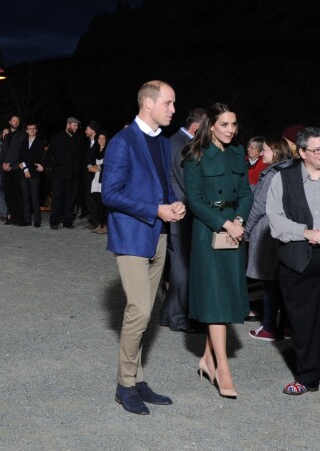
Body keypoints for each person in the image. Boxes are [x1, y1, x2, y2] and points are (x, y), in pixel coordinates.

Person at [101, 80, 186, 415]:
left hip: (158, 236)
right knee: (140, 311)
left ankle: (138, 378)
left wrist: (174, 204)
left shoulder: (163, 144)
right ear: (148, 103)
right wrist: (155, 209)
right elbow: (110, 194)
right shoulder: (122, 142)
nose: (173, 109)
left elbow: (163, 187)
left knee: (145, 313)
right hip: (133, 237)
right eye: (168, 102)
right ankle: (125, 385)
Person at [266, 126, 320, 406]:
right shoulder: (283, 178)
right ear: (301, 152)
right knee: (303, 323)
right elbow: (275, 219)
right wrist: (305, 232)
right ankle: (306, 378)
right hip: (298, 259)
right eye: (316, 150)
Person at [183, 102, 253, 399]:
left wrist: (238, 220)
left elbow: (247, 192)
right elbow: (195, 201)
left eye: (234, 124)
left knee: (225, 292)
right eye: (224, 124)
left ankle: (207, 360)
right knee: (214, 297)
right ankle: (223, 368)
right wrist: (224, 223)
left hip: (233, 232)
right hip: (208, 232)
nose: (230, 130)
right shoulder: (194, 155)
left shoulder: (238, 154)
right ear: (211, 125)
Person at [158, 107, 208, 333]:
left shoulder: (172, 140)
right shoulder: (182, 145)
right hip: (182, 213)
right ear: (196, 128)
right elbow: (189, 185)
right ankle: (178, 317)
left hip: (177, 212)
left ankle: (169, 314)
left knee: (179, 265)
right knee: (182, 267)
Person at [245, 135, 294, 341]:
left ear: (275, 152)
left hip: (268, 230)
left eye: (264, 150)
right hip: (286, 229)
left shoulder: (272, 173)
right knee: (283, 282)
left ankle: (268, 327)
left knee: (269, 283)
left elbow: (259, 207)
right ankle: (287, 327)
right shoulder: (291, 169)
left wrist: (247, 231)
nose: (261, 153)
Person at [41, 117, 85, 230]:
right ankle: (54, 221)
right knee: (58, 198)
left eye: (77, 126)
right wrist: (43, 165)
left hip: (74, 175)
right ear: (68, 125)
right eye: (74, 125)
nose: (76, 128)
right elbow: (49, 153)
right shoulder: (57, 137)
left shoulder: (79, 140)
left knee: (70, 199)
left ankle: (68, 221)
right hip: (59, 175)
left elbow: (82, 158)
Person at [0, 115, 26, 225]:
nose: (15, 122)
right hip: (6, 169)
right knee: (8, 194)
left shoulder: (22, 135)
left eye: (17, 121)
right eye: (13, 121)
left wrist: (10, 164)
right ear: (9, 122)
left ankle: (20, 218)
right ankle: (12, 216)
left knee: (18, 194)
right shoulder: (7, 136)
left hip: (16, 169)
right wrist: (2, 164)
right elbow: (4, 152)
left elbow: (20, 152)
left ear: (19, 123)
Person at [18, 122, 45, 227]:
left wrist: (24, 164)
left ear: (36, 130)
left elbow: (37, 158)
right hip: (24, 173)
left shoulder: (40, 142)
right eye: (30, 128)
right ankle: (27, 219)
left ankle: (37, 220)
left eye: (34, 128)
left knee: (35, 197)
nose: (32, 130)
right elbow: (20, 157)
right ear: (26, 130)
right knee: (25, 197)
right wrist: (25, 169)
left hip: (34, 172)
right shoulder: (23, 142)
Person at [88, 131, 108, 234]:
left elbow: (110, 163)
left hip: (103, 179)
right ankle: (99, 224)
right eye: (99, 138)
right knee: (96, 201)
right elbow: (89, 162)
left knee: (102, 203)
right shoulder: (95, 150)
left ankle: (104, 225)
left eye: (103, 138)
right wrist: (89, 167)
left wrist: (99, 167)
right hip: (95, 178)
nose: (101, 140)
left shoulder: (109, 150)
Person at [82, 120, 101, 229]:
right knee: (88, 198)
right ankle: (94, 221)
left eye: (87, 129)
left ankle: (99, 222)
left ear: (93, 130)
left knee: (95, 198)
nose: (85, 131)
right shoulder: (87, 143)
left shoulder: (99, 142)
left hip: (96, 174)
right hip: (87, 175)